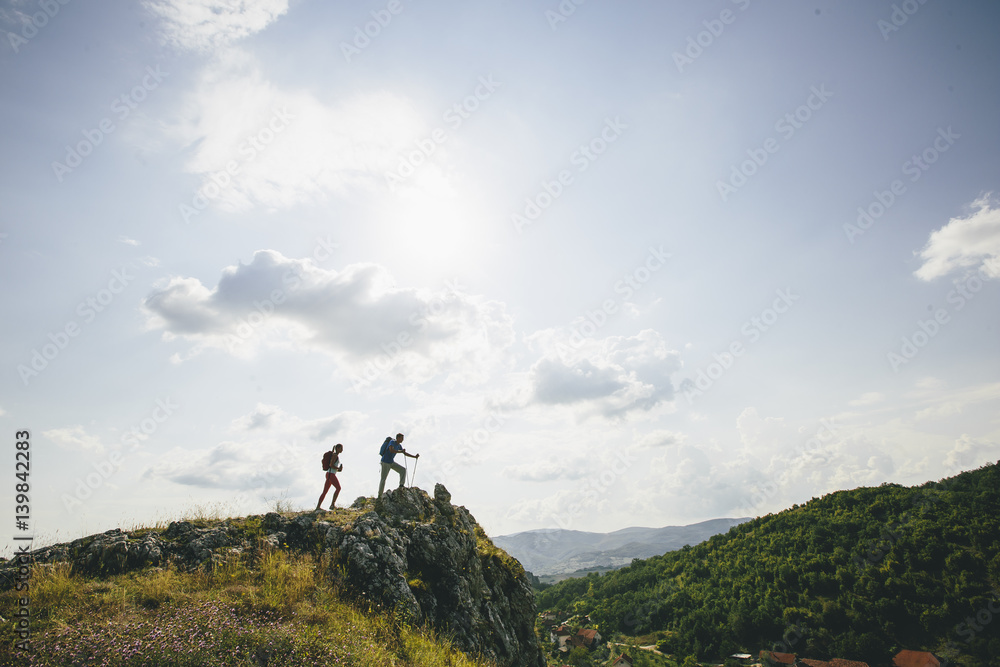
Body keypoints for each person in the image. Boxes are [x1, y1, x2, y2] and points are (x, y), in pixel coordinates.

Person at [378, 433, 418, 498]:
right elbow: (391, 450)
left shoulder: (399, 445)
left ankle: (401, 485)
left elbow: (405, 453)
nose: (402, 440)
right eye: (402, 438)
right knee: (383, 479)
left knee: (403, 470)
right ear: (398, 438)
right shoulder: (392, 442)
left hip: (391, 462)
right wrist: (401, 451)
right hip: (385, 462)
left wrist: (415, 457)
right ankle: (379, 496)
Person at [316, 443, 344, 510]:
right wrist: (338, 468)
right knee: (338, 488)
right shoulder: (335, 455)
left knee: (325, 491)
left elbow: (332, 467)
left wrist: (339, 470)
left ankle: (318, 507)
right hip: (331, 475)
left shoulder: (335, 455)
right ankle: (332, 505)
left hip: (329, 474)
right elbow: (331, 465)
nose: (342, 450)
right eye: (341, 448)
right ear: (337, 448)